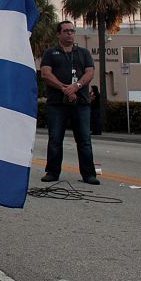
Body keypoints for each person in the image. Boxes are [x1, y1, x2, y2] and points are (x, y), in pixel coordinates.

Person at [40, 21, 99, 185]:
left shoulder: (83, 53)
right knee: (55, 139)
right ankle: (52, 172)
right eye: (66, 31)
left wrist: (76, 87)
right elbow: (45, 73)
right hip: (57, 104)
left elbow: (90, 72)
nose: (70, 34)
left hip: (81, 104)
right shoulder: (51, 53)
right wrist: (63, 88)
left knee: (84, 140)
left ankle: (89, 174)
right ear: (59, 34)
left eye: (72, 31)